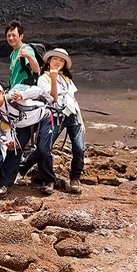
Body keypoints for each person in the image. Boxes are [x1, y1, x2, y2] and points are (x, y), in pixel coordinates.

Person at [19, 48, 85, 193]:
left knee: (79, 148)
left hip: (72, 115)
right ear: (49, 61)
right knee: (44, 148)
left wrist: (80, 119)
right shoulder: (43, 79)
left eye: (61, 60)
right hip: (55, 116)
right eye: (55, 59)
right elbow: (53, 99)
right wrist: (54, 79)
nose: (58, 62)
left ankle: (75, 178)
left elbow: (72, 99)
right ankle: (38, 175)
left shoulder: (67, 79)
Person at [0, 81, 55, 198]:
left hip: (42, 118)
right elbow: (7, 129)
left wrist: (23, 95)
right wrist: (11, 141)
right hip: (22, 126)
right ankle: (6, 184)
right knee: (13, 150)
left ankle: (48, 180)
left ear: (1, 93)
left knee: (43, 150)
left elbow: (38, 91)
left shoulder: (14, 97)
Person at [5, 20, 40, 88]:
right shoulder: (13, 54)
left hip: (24, 89)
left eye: (14, 35)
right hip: (15, 89)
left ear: (21, 36)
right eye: (9, 35)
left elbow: (36, 69)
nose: (11, 38)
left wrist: (29, 56)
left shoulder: (26, 49)